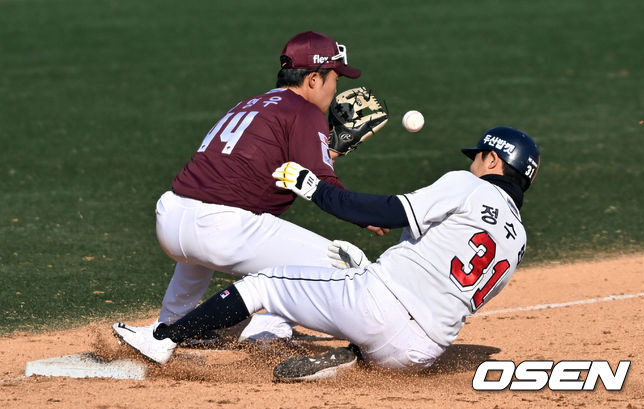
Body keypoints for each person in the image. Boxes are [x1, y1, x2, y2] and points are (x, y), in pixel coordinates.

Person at [114, 126, 540, 381]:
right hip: (421, 352)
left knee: (264, 284)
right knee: (368, 293)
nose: (472, 164)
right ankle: (353, 359)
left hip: (376, 307)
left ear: (492, 160)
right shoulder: (518, 238)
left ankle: (162, 338)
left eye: (477, 157)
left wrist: (317, 188)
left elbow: (389, 212)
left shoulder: (469, 186)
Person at [113, 30, 388, 348]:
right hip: (220, 230)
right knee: (344, 265)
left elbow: (278, 172)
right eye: (335, 78)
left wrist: (330, 150)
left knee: (206, 229)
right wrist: (364, 214)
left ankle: (173, 322)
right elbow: (320, 186)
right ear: (313, 79)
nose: (336, 87)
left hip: (172, 220)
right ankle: (269, 330)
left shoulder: (252, 104)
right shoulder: (305, 112)